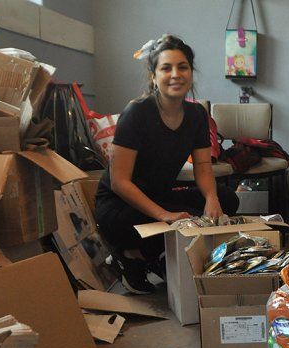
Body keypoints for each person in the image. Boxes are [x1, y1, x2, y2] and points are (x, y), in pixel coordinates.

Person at [95, 34, 239, 295]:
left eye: (182, 67)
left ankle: (156, 254)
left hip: (159, 197)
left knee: (227, 200)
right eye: (166, 68)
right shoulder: (137, 112)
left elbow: (203, 168)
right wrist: (164, 215)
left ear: (191, 72)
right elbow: (119, 182)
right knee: (147, 221)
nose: (176, 74)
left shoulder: (197, 115)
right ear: (153, 75)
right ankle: (128, 256)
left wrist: (211, 198)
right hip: (120, 206)